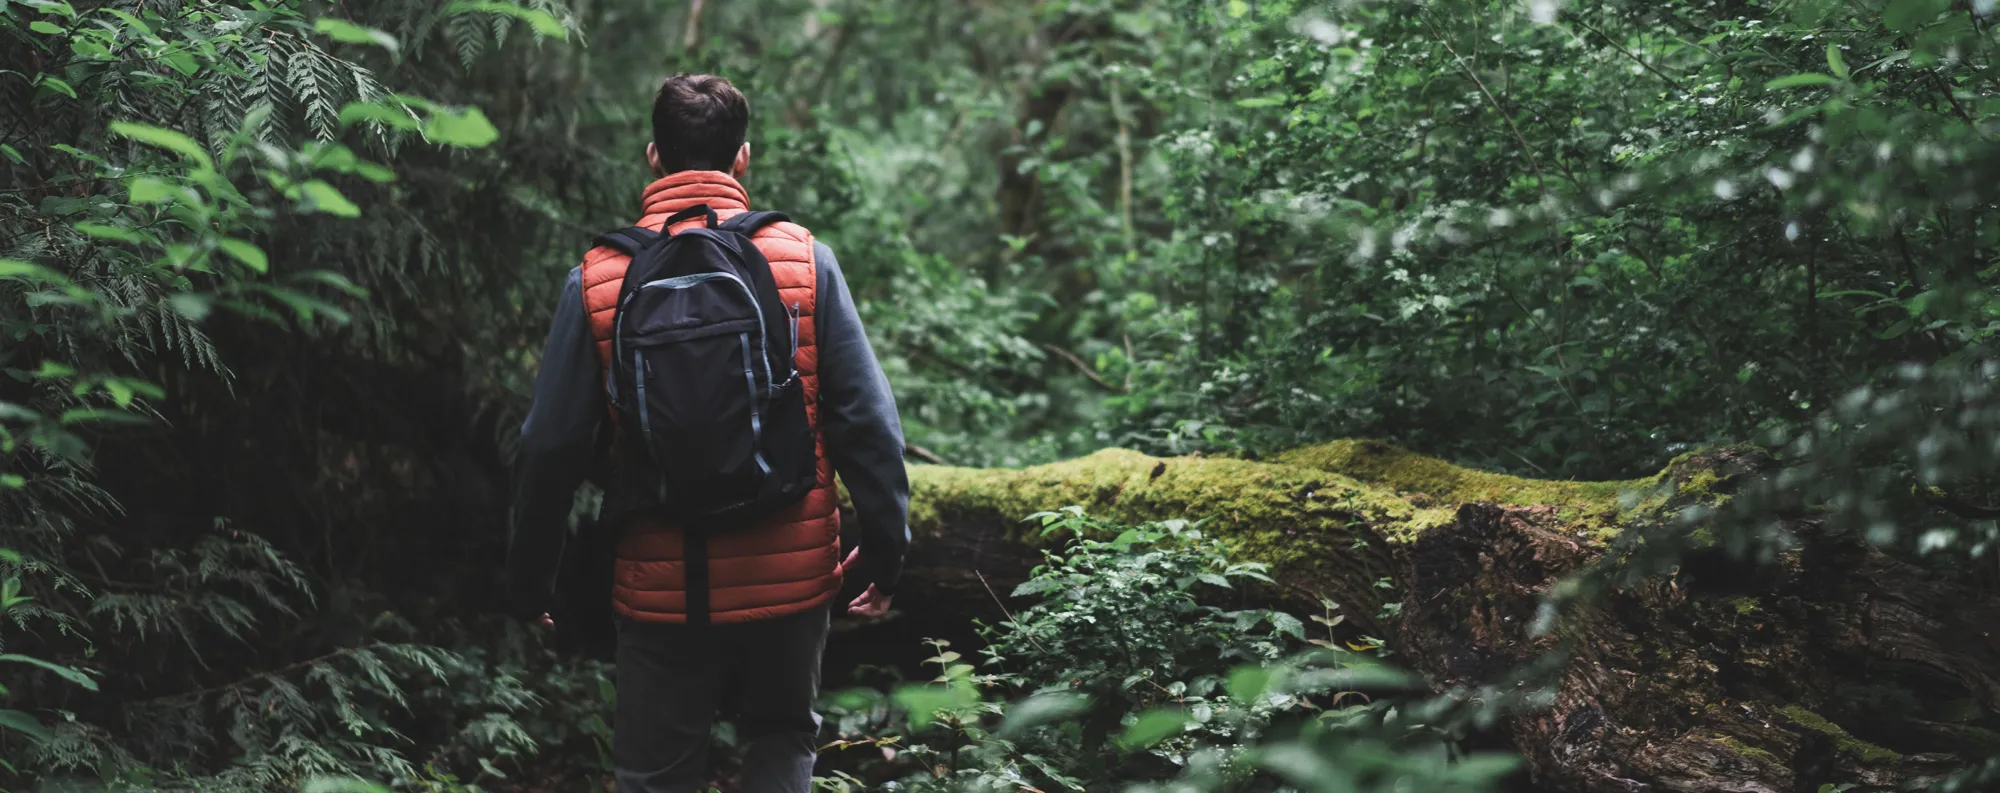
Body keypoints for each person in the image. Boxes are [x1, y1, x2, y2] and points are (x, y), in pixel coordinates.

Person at [505, 73, 911, 793]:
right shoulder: (803, 260)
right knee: (783, 739)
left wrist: (532, 578)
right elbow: (867, 424)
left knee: (654, 775)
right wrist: (884, 552)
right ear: (743, 158)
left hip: (663, 587)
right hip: (789, 580)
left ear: (654, 156)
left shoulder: (600, 277)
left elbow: (549, 447)